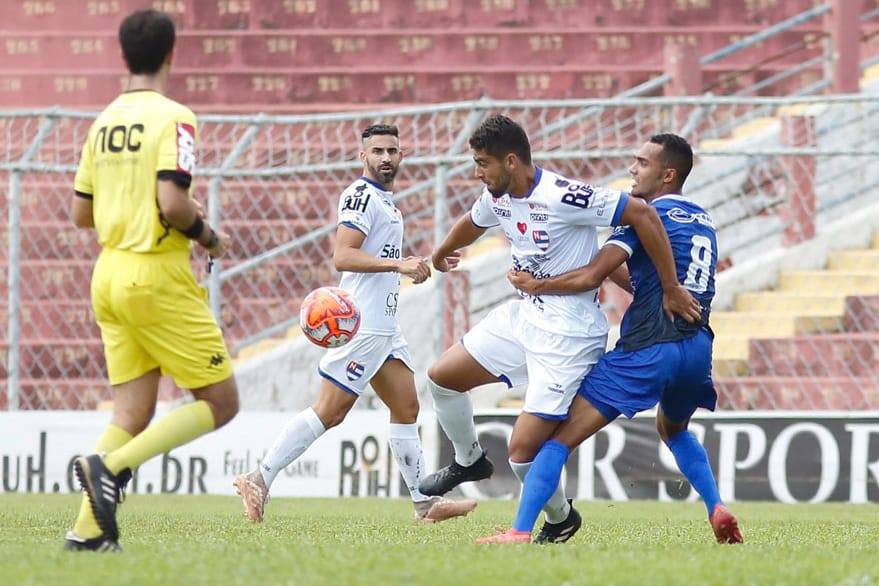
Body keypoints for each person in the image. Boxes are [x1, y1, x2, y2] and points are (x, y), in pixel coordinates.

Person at [419, 115, 700, 543]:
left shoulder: (564, 195)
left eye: (482, 164)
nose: (477, 173)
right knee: (443, 377)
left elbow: (641, 212)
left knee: (522, 453)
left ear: (511, 161)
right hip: (525, 313)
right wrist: (441, 253)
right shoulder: (498, 193)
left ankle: (561, 518)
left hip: (568, 333)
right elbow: (473, 221)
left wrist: (669, 287)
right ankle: (469, 459)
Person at [475, 133, 743, 545]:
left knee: (556, 440)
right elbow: (642, 277)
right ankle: (717, 507)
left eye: (641, 163)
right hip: (697, 348)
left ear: (667, 174)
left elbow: (589, 277)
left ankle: (520, 530)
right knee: (674, 430)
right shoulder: (702, 219)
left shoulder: (644, 216)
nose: (632, 169)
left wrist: (535, 283)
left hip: (648, 349)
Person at [233, 124, 477, 524]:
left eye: (392, 150)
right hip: (361, 325)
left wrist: (427, 261)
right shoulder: (361, 196)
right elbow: (343, 256)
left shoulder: (386, 203)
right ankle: (259, 478)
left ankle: (423, 504)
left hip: (384, 327)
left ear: (402, 156)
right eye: (377, 150)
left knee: (406, 405)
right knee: (331, 411)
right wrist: (398, 264)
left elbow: (377, 258)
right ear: (362, 156)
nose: (385, 157)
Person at [65, 9, 239, 552]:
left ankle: (87, 533)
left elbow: (79, 213)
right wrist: (208, 235)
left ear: (123, 56)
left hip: (109, 271)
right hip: (154, 270)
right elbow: (172, 201)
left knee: (132, 412)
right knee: (221, 400)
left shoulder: (104, 121)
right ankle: (110, 468)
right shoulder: (174, 118)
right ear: (172, 53)